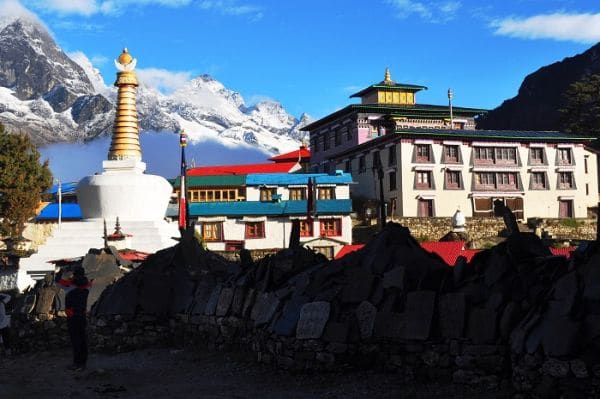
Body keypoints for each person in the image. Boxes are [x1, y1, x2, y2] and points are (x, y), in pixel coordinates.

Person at [56, 266, 92, 371]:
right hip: (82, 315)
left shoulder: (69, 285)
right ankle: (83, 362)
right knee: (82, 339)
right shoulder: (88, 285)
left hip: (72, 316)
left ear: (74, 274)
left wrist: (62, 271)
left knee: (75, 340)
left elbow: (57, 281)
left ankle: (76, 363)